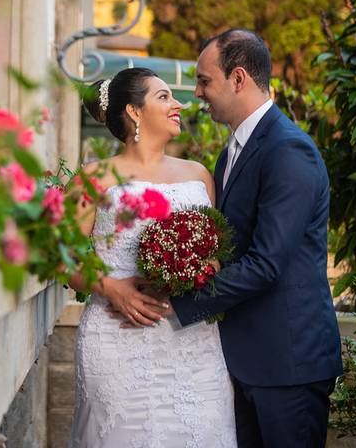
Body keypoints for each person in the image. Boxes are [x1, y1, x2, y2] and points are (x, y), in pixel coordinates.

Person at [135, 29, 343, 447]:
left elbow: (266, 264)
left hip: (288, 363)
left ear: (239, 78)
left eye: (204, 81)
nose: (196, 93)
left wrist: (177, 302)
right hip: (241, 359)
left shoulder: (288, 150)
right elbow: (231, 247)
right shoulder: (230, 152)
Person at [67, 67, 237, 447]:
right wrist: (110, 287)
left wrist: (202, 269)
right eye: (164, 97)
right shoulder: (93, 178)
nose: (178, 103)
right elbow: (58, 258)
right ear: (134, 111)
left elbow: (217, 254)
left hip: (193, 345)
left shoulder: (199, 175)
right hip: (117, 339)